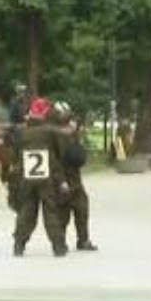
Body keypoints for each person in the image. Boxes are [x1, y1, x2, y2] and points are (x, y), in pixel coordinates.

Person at [12, 97, 70, 257]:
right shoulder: (51, 132)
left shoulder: (21, 132)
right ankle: (58, 246)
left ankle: (19, 244)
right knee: (51, 210)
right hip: (47, 176)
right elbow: (60, 155)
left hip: (26, 176)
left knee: (26, 210)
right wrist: (61, 179)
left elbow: (15, 155)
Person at [55, 105, 98, 252]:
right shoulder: (56, 140)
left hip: (75, 179)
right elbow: (55, 164)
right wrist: (61, 181)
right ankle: (60, 241)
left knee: (82, 208)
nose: (73, 125)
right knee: (62, 213)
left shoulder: (73, 137)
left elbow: (79, 158)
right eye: (69, 123)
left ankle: (83, 240)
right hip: (62, 180)